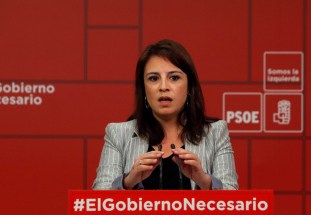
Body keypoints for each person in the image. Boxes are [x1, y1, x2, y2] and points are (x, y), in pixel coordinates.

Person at [92, 39, 238, 190]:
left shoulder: (215, 133)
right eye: (154, 78)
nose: (163, 87)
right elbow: (98, 198)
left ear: (189, 87)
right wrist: (128, 182)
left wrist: (204, 181)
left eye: (174, 78)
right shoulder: (118, 134)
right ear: (144, 89)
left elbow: (234, 200)